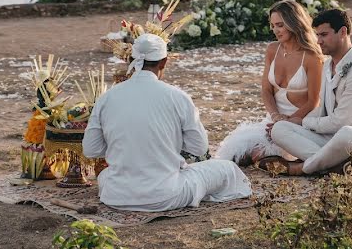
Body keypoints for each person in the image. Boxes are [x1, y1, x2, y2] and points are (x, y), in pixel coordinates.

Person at [82, 33, 251, 211]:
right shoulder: (177, 96)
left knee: (106, 176)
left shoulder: (106, 97)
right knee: (227, 169)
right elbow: (199, 148)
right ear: (164, 62)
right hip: (167, 195)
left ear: (131, 58)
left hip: (116, 195)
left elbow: (91, 150)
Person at [267, 8, 352, 175]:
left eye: (323, 35)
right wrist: (294, 122)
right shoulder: (327, 67)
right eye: (317, 35)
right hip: (331, 139)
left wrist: (302, 122)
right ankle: (334, 166)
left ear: (343, 32)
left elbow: (340, 122)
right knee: (279, 129)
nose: (318, 41)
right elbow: (320, 112)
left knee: (347, 133)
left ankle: (304, 168)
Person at [215, 0, 324, 164]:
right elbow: (266, 90)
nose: (275, 30)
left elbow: (313, 101)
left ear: (293, 22)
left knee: (264, 155)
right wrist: (275, 117)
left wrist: (287, 123)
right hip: (273, 121)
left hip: (301, 120)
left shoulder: (311, 56)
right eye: (273, 25)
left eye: (280, 25)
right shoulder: (273, 49)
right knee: (238, 154)